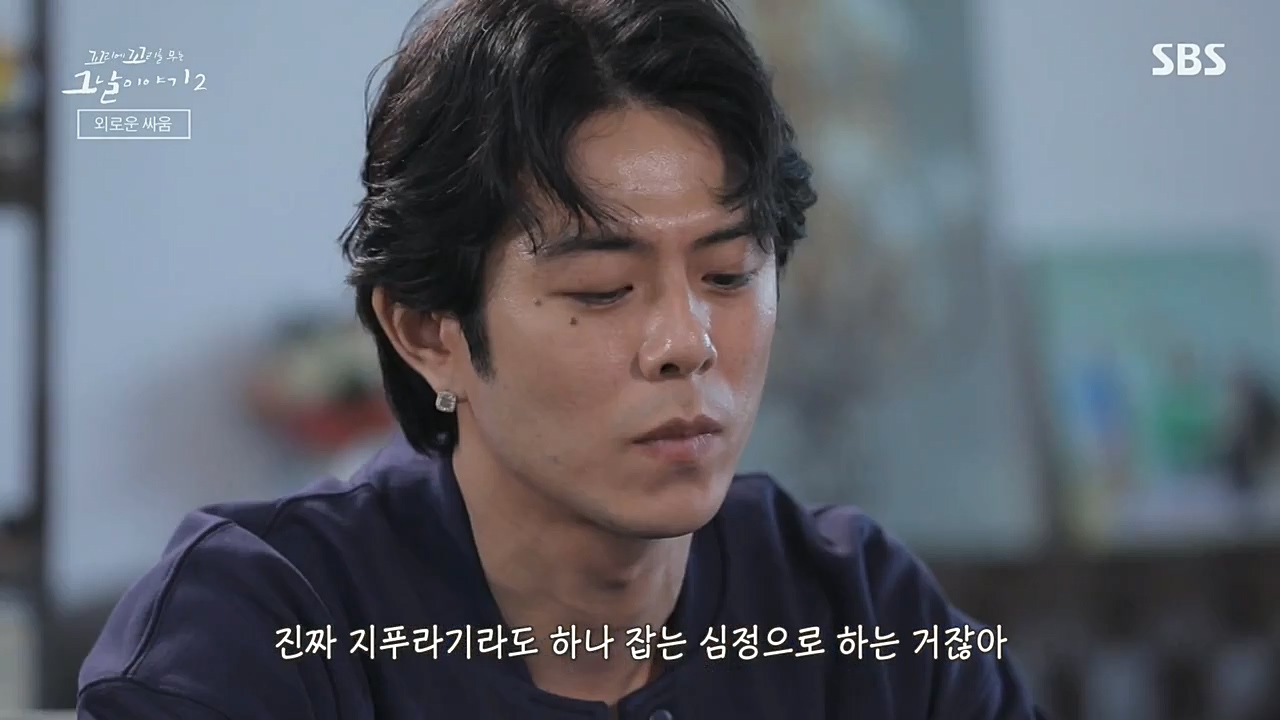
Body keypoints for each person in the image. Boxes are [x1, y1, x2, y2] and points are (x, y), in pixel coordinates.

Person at [77, 0, 1045, 717]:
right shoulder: (257, 628)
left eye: (726, 274)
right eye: (602, 290)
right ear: (427, 331)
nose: (686, 344)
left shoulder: (859, 618)